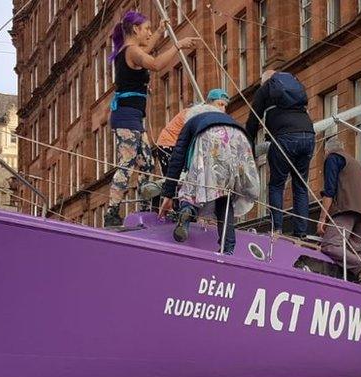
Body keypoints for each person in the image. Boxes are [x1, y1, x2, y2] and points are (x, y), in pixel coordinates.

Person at [104, 10, 198, 226]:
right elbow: (155, 64)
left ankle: (146, 208)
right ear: (135, 29)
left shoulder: (130, 50)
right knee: (127, 163)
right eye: (145, 29)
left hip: (135, 116)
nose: (147, 33)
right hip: (126, 117)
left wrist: (158, 32)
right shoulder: (132, 51)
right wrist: (178, 45)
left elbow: (146, 49)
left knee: (146, 163)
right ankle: (111, 212)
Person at [158, 104, 260, 255]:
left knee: (193, 182)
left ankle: (187, 210)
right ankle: (228, 246)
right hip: (239, 137)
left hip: (209, 136)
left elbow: (177, 158)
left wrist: (167, 194)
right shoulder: (227, 118)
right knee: (225, 194)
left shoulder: (192, 122)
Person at [245, 69, 315, 238]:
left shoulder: (264, 90)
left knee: (277, 184)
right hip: (308, 134)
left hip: (284, 138)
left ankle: (276, 228)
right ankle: (301, 232)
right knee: (300, 185)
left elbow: (253, 121)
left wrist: (248, 146)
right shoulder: (296, 89)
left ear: (266, 81)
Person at [316, 137, 361, 289]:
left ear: (327, 150)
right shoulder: (355, 164)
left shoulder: (333, 158)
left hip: (345, 209)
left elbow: (329, 191)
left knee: (330, 245)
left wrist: (322, 218)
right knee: (357, 250)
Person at [155, 88, 231, 176]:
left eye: (225, 106)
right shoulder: (197, 113)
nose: (223, 109)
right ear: (210, 102)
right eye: (220, 104)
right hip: (169, 144)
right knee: (176, 177)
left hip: (177, 144)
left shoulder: (203, 114)